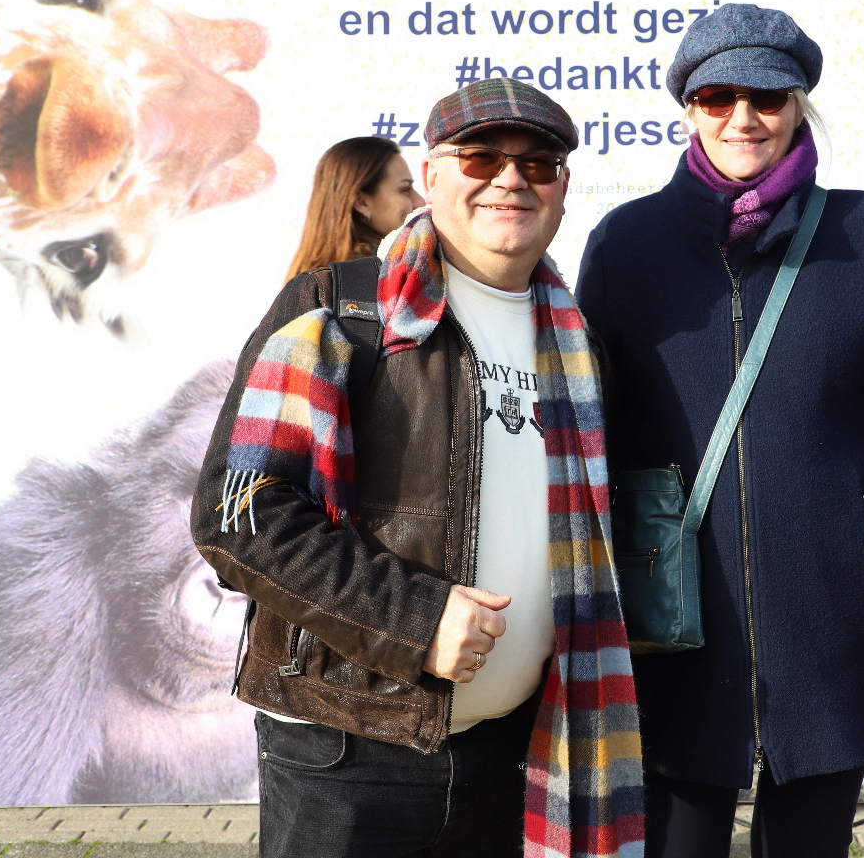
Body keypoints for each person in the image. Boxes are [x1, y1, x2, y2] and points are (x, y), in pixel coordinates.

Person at [192, 77, 643, 858]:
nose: (510, 179)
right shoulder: (338, 309)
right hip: (347, 755)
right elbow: (239, 516)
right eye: (481, 157)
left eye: (537, 164)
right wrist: (414, 621)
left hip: (515, 754)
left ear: (563, 190)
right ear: (432, 177)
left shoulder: (578, 347)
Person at [576, 3, 864, 858]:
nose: (743, 118)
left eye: (766, 97)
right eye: (718, 97)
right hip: (675, 628)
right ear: (689, 109)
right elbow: (586, 445)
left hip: (835, 626)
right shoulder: (624, 245)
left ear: (798, 107)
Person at [283, 135, 426, 279]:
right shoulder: (385, 274)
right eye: (405, 189)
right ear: (361, 202)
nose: (421, 202)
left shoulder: (307, 279)